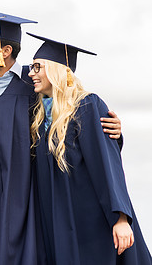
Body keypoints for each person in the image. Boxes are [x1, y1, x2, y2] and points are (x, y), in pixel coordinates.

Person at [0, 10, 123, 265]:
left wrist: (115, 131)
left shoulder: (30, 88)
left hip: (26, 199)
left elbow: (71, 114)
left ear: (5, 51)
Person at [27, 33, 152, 265]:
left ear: (58, 71)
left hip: (90, 221)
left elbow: (106, 163)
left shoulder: (87, 106)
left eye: (37, 67)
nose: (30, 73)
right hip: (58, 221)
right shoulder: (40, 114)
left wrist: (120, 218)